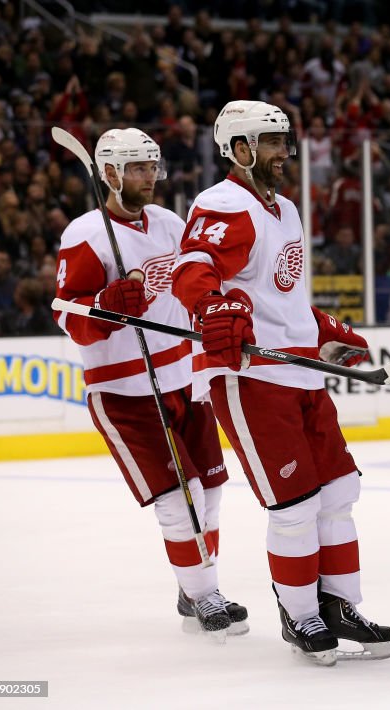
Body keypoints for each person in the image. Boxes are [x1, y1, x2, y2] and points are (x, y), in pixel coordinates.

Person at [170, 100, 390, 667]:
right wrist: (212, 304)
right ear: (239, 149)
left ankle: (340, 604)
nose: (281, 151)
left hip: (300, 372)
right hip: (252, 377)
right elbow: (192, 269)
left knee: (339, 494)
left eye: (283, 140)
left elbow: (282, 295)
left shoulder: (285, 209)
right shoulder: (223, 202)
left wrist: (323, 327)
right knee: (294, 505)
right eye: (269, 142)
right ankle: (301, 614)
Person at [54, 128, 245, 640]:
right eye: (138, 168)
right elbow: (68, 317)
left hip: (184, 377)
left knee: (210, 489)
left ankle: (196, 587)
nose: (149, 178)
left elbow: (189, 280)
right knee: (176, 496)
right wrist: (106, 310)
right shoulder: (85, 235)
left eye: (152, 167)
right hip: (125, 392)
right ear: (109, 174)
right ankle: (205, 595)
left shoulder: (168, 223)